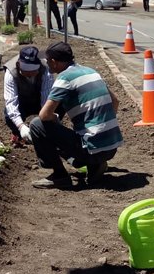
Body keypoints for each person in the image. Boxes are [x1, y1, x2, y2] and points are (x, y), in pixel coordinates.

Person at [29, 41, 123, 189]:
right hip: (111, 148)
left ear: (54, 62)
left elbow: (44, 115)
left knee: (37, 125)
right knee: (69, 134)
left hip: (91, 150)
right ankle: (96, 165)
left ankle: (59, 175)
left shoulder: (65, 78)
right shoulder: (91, 71)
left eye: (47, 61)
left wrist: (56, 121)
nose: (47, 64)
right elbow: (115, 101)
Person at [3, 46, 55, 145]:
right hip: (22, 102)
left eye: (33, 72)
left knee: (58, 103)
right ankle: (21, 135)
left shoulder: (45, 68)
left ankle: (49, 131)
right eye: (26, 73)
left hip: (38, 99)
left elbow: (46, 97)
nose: (30, 75)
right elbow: (11, 102)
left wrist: (44, 121)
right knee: (8, 113)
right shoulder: (11, 72)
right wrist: (21, 126)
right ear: (18, 65)